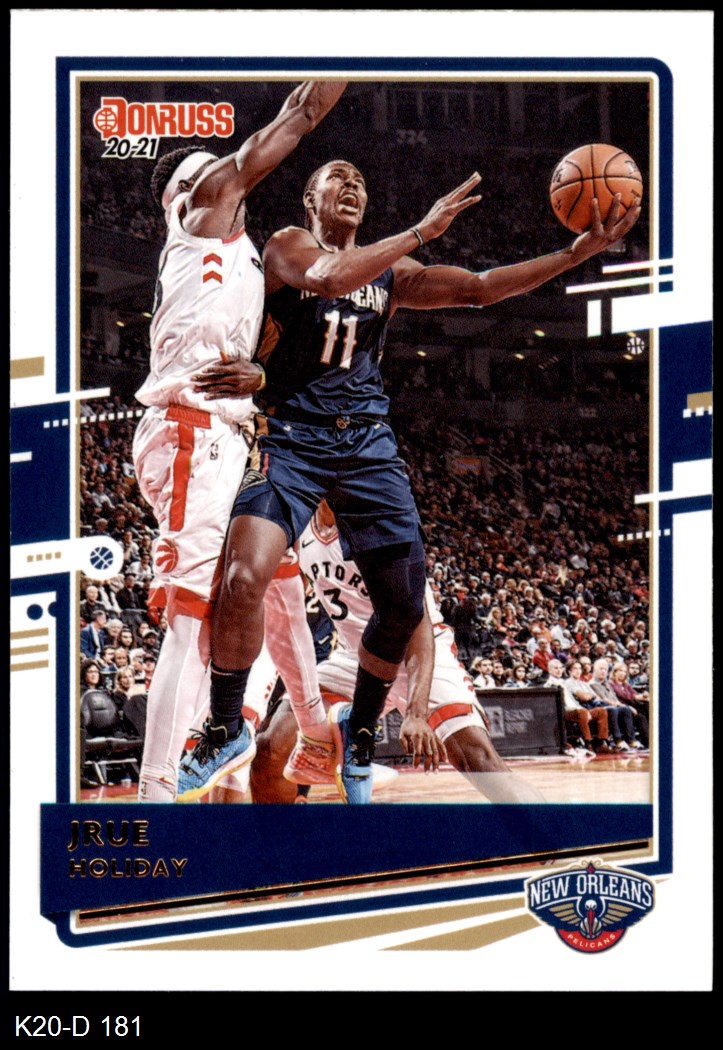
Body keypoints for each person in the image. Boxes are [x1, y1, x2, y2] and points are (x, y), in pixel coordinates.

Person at [190, 157, 640, 803]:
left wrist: (573, 254)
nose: (352, 184)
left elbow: (480, 288)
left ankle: (373, 741)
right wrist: (421, 230)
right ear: (310, 197)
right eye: (338, 177)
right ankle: (229, 739)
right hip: (294, 434)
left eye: (360, 180)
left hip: (364, 440)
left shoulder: (391, 274)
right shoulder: (289, 244)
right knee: (244, 586)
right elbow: (329, 276)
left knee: (411, 618)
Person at [131, 81, 347, 802]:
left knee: (277, 582)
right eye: (213, 173)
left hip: (228, 437)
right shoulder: (201, 215)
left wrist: (264, 374)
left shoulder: (241, 257)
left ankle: (311, 731)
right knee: (190, 619)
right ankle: (156, 794)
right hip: (190, 433)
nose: (230, 180)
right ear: (188, 194)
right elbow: (297, 116)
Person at [248, 501, 544, 804]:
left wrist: (416, 714)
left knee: (479, 761)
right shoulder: (300, 525)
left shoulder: (377, 524)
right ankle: (284, 834)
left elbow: (418, 624)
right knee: (270, 748)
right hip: (355, 656)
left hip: (415, 647)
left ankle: (552, 831)